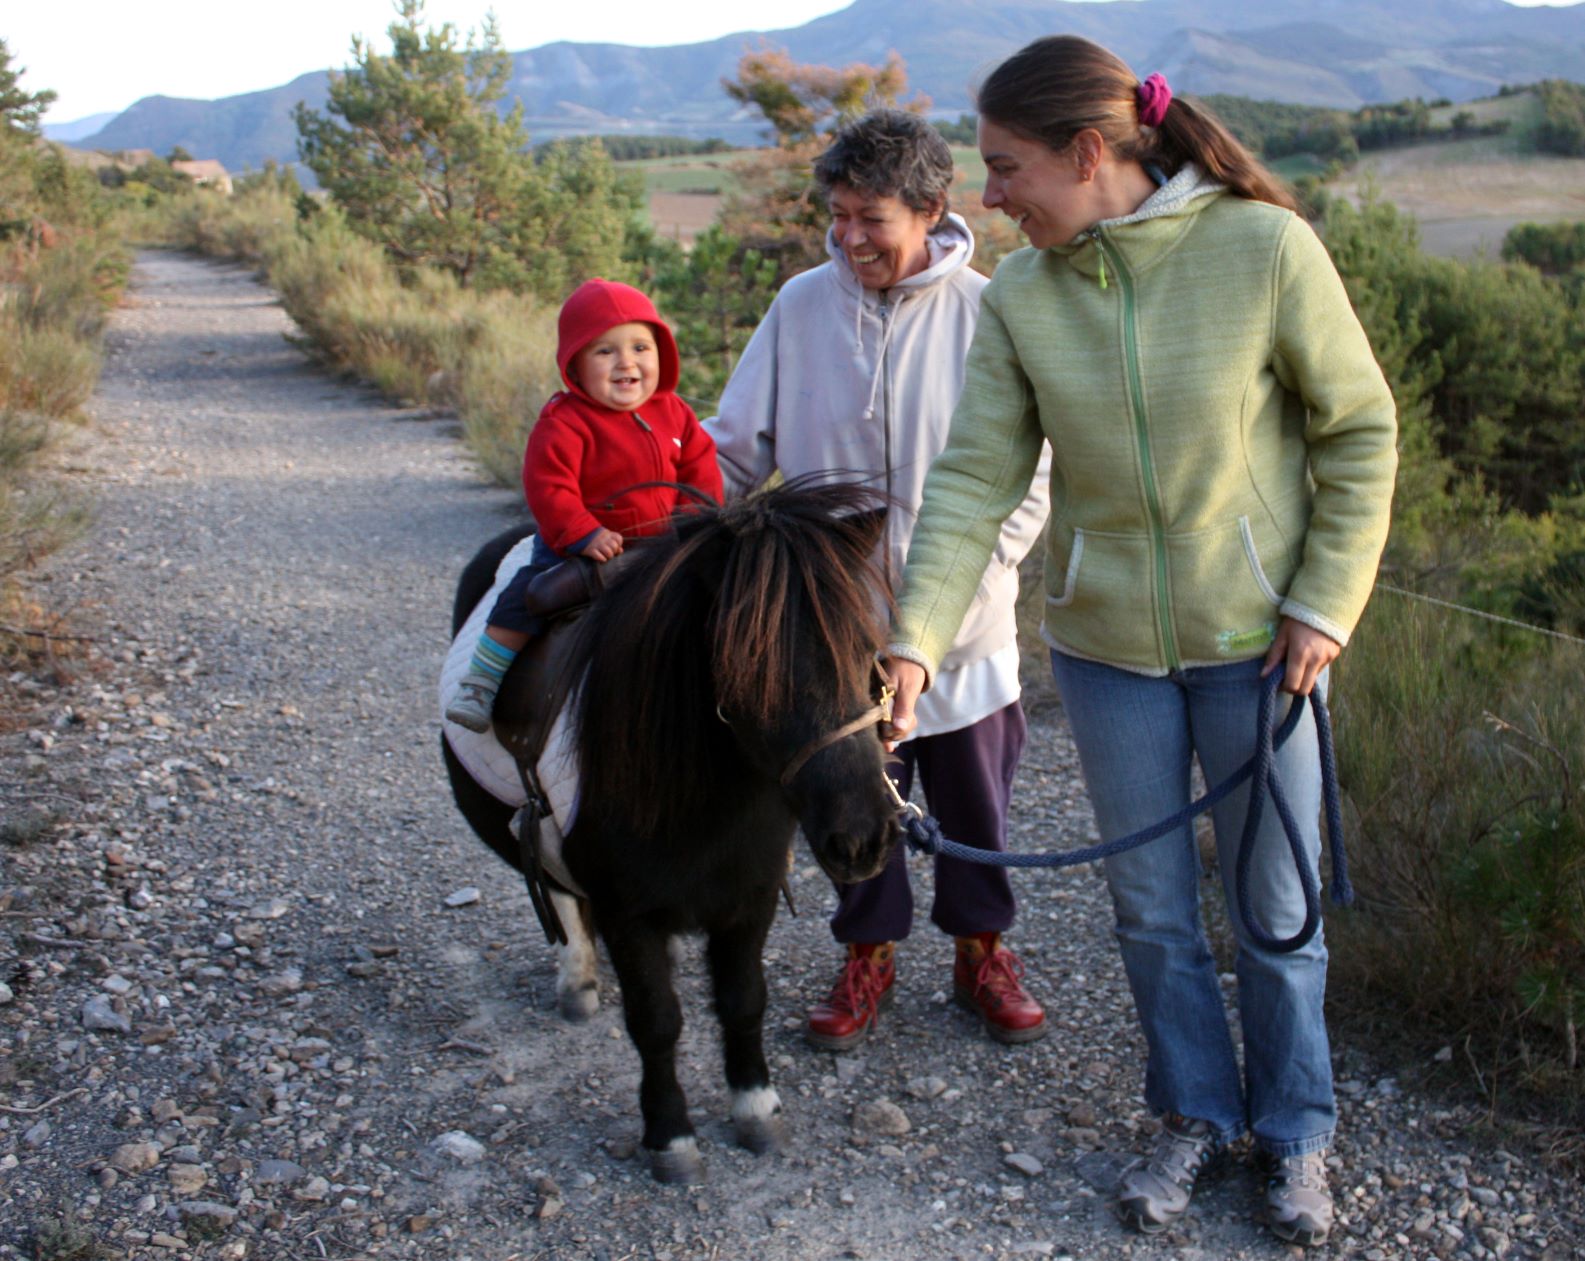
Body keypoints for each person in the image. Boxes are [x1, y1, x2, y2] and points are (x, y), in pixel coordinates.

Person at [882, 37, 1397, 1249]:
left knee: (1275, 908)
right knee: (1151, 910)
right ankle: (1194, 1113)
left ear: (1089, 152)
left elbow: (1359, 432)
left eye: (1005, 170)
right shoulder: (1021, 295)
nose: (989, 197)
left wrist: (1325, 602)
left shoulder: (1264, 248)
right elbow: (969, 486)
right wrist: (912, 644)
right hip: (1107, 652)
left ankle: (1298, 1128)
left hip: (1262, 646)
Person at [706, 109, 1052, 1051]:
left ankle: (982, 948)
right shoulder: (800, 307)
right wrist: (659, 521)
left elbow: (1028, 486)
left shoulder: (992, 311)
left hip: (967, 634)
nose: (849, 236)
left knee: (975, 803)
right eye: (838, 214)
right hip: (835, 636)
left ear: (932, 210)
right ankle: (867, 951)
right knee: (848, 804)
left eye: (873, 218)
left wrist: (952, 612)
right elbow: (734, 451)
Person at [445, 278, 723, 731]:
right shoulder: (565, 422)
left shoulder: (674, 413)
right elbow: (549, 486)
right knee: (531, 594)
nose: (626, 363)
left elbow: (700, 469)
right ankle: (482, 681)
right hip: (587, 543)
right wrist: (582, 532)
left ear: (661, 353)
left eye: (640, 347)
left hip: (664, 543)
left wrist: (695, 524)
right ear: (575, 362)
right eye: (605, 351)